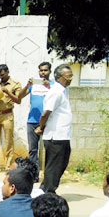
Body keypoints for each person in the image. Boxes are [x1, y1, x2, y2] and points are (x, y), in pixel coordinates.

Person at [35, 63, 73, 193]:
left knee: (61, 163)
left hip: (63, 134)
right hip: (55, 136)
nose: (70, 78)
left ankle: (45, 188)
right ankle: (49, 192)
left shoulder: (64, 90)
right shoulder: (55, 92)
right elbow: (45, 113)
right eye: (67, 76)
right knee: (53, 166)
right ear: (58, 77)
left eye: (71, 75)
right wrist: (41, 127)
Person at [0, 64, 24, 172]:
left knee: (8, 141)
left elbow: (18, 100)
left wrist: (8, 92)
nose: (1, 77)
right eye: (0, 75)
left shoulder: (15, 84)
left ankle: (8, 166)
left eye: (3, 74)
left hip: (7, 115)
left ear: (7, 72)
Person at [22, 62, 52, 176]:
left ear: (50, 71)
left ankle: (48, 176)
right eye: (41, 70)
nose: (43, 73)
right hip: (32, 121)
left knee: (49, 149)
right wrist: (27, 85)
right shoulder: (33, 85)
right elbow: (19, 97)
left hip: (48, 121)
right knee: (32, 150)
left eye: (45, 70)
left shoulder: (54, 85)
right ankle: (34, 175)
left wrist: (48, 86)